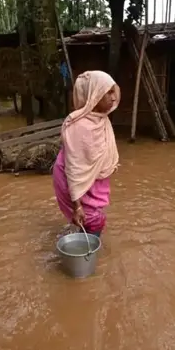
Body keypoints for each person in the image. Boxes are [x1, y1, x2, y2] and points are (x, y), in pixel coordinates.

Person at [52, 70, 120, 238]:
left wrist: (109, 164)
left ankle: (83, 239)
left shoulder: (101, 117)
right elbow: (74, 169)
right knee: (94, 220)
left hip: (91, 176)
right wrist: (77, 206)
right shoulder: (79, 126)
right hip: (71, 177)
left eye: (113, 91)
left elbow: (97, 153)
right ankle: (88, 254)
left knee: (91, 216)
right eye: (108, 92)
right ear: (95, 95)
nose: (113, 97)